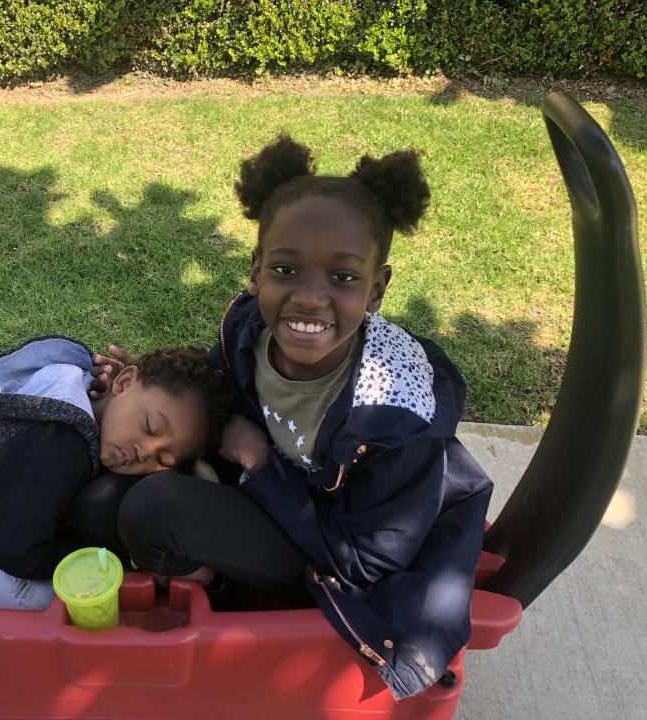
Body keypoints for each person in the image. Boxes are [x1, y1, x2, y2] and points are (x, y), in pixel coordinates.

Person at [104, 135, 494, 700]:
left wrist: (260, 464)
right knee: (102, 501)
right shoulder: (246, 331)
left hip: (341, 568)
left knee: (153, 508)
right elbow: (213, 399)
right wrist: (138, 387)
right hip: (272, 509)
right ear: (257, 269)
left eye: (342, 278)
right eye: (286, 269)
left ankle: (238, 612)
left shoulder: (393, 416)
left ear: (377, 288)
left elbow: (367, 562)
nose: (310, 298)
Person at [0, 336, 232, 610]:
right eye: (150, 427)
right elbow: (14, 553)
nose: (145, 451)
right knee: (66, 604)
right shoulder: (55, 445)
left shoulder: (106, 415)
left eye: (163, 457)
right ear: (123, 382)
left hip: (12, 509)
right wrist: (118, 567)